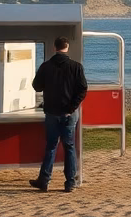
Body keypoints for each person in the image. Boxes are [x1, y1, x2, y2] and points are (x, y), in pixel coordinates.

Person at [29, 37, 88, 193]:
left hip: (51, 111)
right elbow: (83, 89)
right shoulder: (76, 67)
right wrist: (72, 106)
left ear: (54, 48)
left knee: (51, 146)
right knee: (69, 146)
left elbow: (36, 86)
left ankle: (44, 180)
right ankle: (70, 182)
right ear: (67, 47)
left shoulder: (46, 66)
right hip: (69, 112)